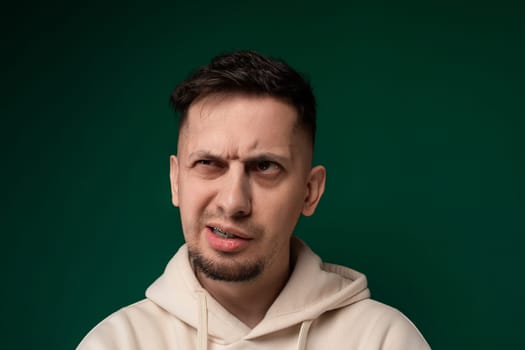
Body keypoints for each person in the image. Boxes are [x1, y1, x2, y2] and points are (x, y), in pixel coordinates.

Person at [77, 51, 429, 350]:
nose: (232, 203)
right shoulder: (117, 343)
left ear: (310, 191)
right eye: (208, 163)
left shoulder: (381, 341)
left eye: (264, 167)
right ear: (176, 181)